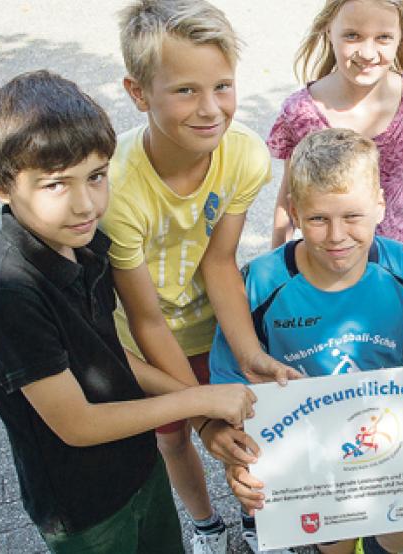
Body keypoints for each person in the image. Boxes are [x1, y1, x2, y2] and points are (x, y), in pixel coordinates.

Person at [0, 70, 256, 554]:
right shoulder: (5, 294)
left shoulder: (85, 247)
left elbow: (106, 353)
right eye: (56, 185)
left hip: (141, 470)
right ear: (0, 185)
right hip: (84, 509)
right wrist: (195, 402)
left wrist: (202, 403)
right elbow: (77, 424)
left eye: (97, 176)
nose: (85, 205)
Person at [211, 128, 403, 554]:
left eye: (352, 216)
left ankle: (373, 542)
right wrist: (229, 445)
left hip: (391, 441)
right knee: (332, 540)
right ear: (293, 211)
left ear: (381, 205)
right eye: (318, 219)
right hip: (308, 453)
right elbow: (228, 379)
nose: (336, 236)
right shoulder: (261, 284)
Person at [103, 1, 295, 552]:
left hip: (216, 325)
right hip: (146, 339)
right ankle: (205, 524)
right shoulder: (117, 190)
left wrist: (249, 353)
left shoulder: (244, 157)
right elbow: (146, 320)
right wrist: (201, 415)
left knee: (249, 424)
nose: (211, 109)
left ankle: (258, 517)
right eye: (185, 90)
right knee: (175, 440)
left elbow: (218, 262)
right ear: (138, 93)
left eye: (223, 86)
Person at [267, 0, 403, 283]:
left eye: (383, 37)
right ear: (328, 31)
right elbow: (289, 194)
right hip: (325, 266)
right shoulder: (301, 112)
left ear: (401, 36)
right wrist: (277, 267)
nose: (368, 53)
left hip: (397, 267)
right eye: (352, 35)